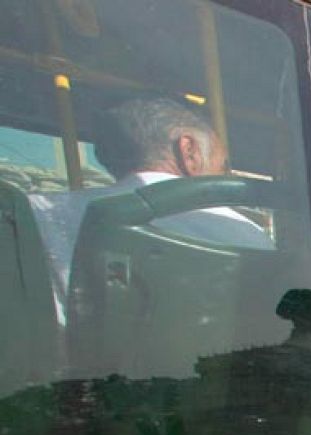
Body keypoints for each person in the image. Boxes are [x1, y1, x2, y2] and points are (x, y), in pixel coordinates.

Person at [29, 96, 272, 321]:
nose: (225, 176)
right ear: (189, 151)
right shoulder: (245, 234)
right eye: (223, 166)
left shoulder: (34, 213)